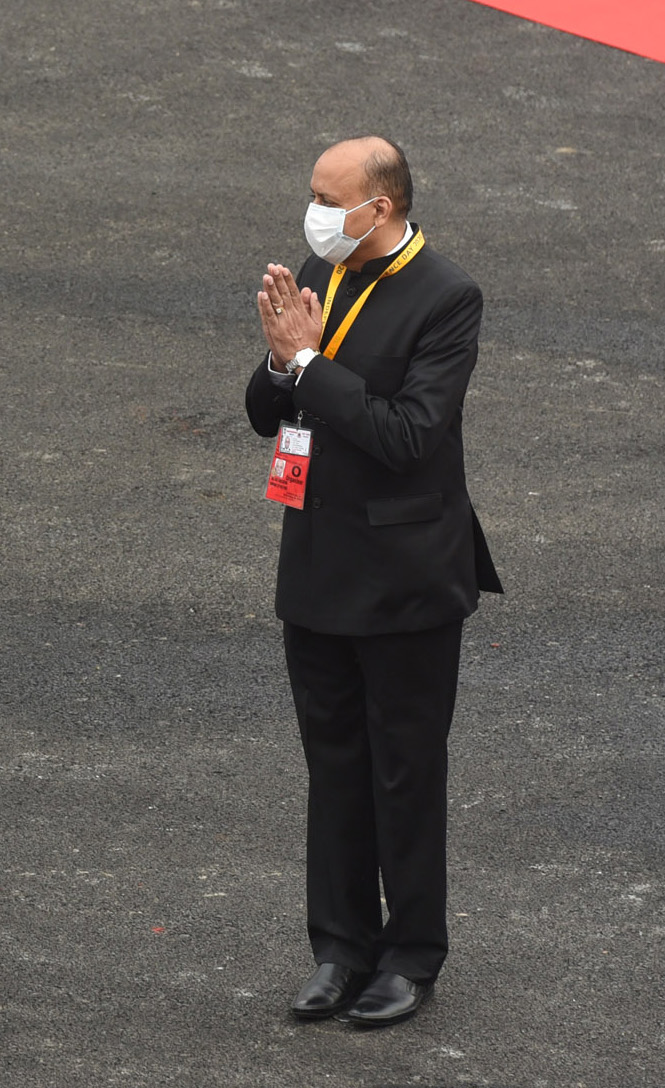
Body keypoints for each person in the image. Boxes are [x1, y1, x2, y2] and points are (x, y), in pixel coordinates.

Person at [246, 136, 502, 1027]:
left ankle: (412, 955)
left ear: (380, 208)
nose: (313, 210)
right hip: (318, 570)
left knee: (405, 771)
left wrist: (313, 365)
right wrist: (284, 363)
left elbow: (408, 435)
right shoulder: (335, 278)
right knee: (335, 768)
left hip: (406, 582)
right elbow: (261, 414)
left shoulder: (447, 296)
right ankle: (340, 947)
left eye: (327, 196)